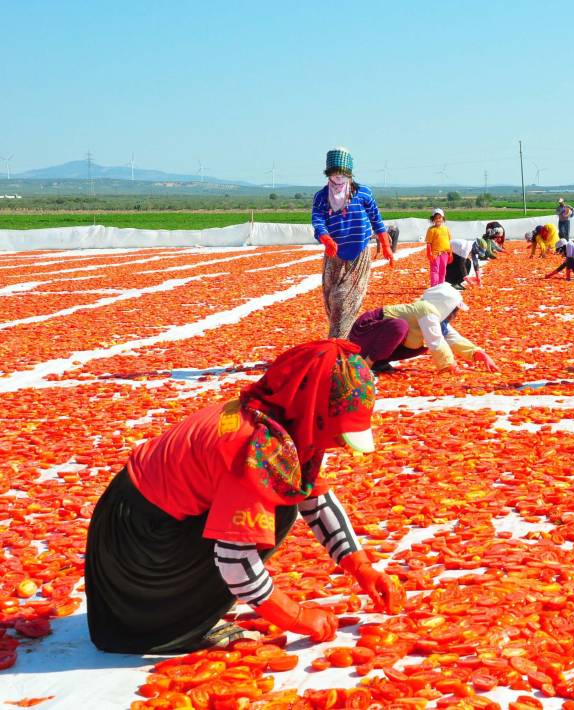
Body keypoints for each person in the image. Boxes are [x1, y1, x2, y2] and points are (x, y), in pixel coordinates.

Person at [85, 340, 403, 654]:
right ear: (312, 410)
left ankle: (169, 611)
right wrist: (297, 617)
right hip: (134, 545)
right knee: (275, 513)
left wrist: (362, 568)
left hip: (138, 525)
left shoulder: (283, 420)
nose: (343, 445)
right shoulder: (254, 449)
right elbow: (235, 561)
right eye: (338, 433)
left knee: (281, 501)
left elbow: (315, 500)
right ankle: (166, 625)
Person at [311, 147, 394, 339]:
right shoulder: (322, 196)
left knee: (344, 300)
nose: (338, 176)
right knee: (332, 301)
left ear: (349, 173)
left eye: (343, 172)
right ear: (328, 173)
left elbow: (376, 218)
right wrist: (326, 238)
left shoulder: (363, 193)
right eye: (335, 171)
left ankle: (338, 349)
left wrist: (387, 246)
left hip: (359, 255)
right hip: (334, 255)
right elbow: (318, 220)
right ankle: (344, 340)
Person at [347, 284, 499, 375]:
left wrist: (479, 354)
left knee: (418, 346)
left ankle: (379, 362)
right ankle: (367, 363)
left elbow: (452, 337)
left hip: (375, 337)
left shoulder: (435, 316)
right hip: (365, 331)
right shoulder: (426, 309)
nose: (455, 314)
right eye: (455, 310)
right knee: (400, 327)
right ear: (446, 305)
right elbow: (436, 341)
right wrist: (448, 366)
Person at [425, 208, 452, 286]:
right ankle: (434, 286)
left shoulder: (446, 229)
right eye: (436, 218)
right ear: (433, 219)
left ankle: (441, 286)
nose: (438, 219)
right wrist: (429, 253)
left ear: (443, 218)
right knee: (435, 270)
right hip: (435, 253)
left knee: (443, 270)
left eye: (439, 218)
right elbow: (429, 243)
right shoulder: (431, 230)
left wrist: (450, 253)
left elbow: (449, 241)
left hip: (445, 253)